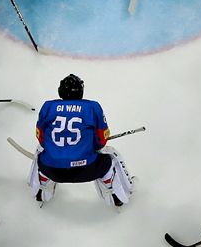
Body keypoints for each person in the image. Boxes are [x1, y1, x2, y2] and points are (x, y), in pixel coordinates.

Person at [30, 74, 134, 207]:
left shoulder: (48, 106)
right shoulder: (92, 107)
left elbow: (41, 138)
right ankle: (114, 192)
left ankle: (42, 188)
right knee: (111, 155)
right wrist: (89, 146)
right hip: (88, 169)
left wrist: (56, 152)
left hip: (50, 169)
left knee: (40, 151)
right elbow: (101, 142)